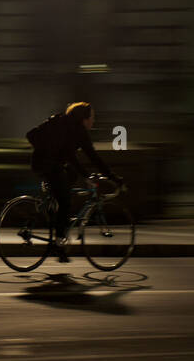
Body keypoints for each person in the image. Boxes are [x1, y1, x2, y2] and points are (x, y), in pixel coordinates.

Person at [26, 102, 122, 263]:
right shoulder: (75, 131)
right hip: (48, 166)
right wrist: (112, 177)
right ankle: (58, 243)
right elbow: (83, 157)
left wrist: (88, 175)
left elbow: (84, 157)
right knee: (65, 202)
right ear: (84, 119)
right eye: (92, 118)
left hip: (43, 163)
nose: (93, 121)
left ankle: (54, 201)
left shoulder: (69, 125)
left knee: (70, 176)